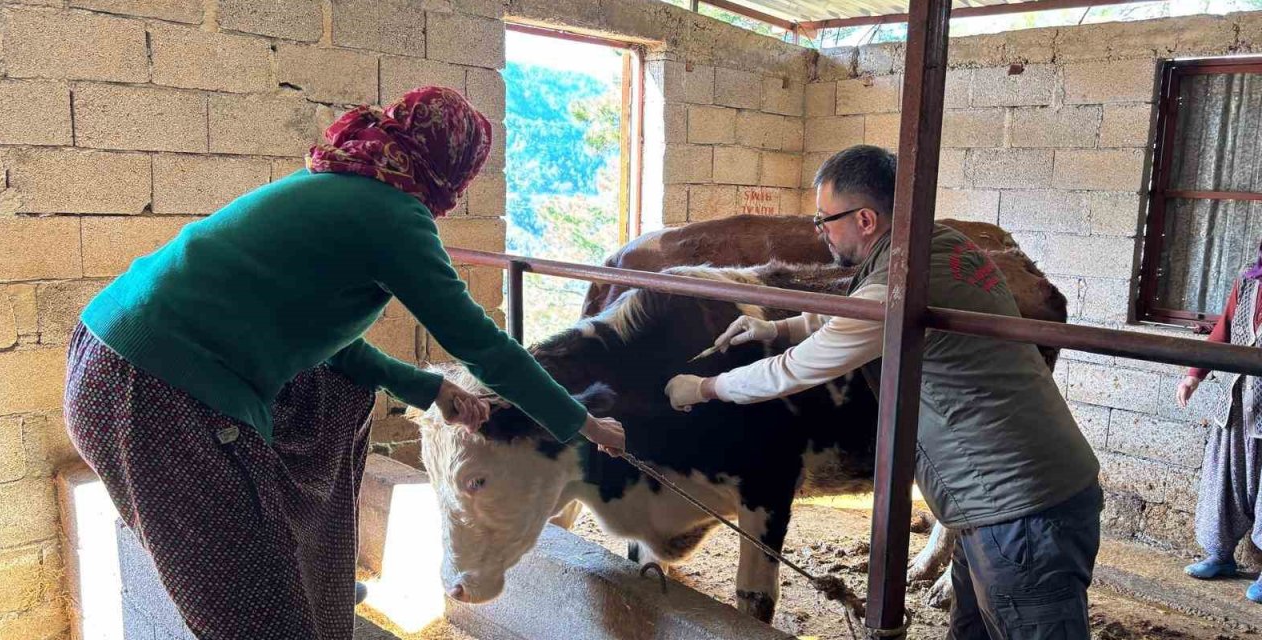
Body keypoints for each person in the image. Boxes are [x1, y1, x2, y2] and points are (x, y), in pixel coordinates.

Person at [62, 87, 625, 640]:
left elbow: (319, 340)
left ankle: (311, 573)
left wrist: (427, 389)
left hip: (106, 360)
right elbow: (484, 345)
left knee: (337, 391)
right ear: (453, 167)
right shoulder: (394, 215)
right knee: (259, 620)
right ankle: (284, 590)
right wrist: (581, 422)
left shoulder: (335, 182)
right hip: (158, 391)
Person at [664, 145, 1101, 639]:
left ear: (866, 219)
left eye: (824, 219)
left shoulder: (902, 275)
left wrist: (704, 387)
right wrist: (777, 329)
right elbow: (861, 311)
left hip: (1018, 511)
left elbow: (794, 372)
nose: (820, 231)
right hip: (1011, 499)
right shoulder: (939, 244)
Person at [1176, 244, 1262, 604]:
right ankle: (1221, 556)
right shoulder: (1247, 280)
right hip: (1237, 400)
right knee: (1224, 480)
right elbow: (1224, 329)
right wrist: (1194, 375)